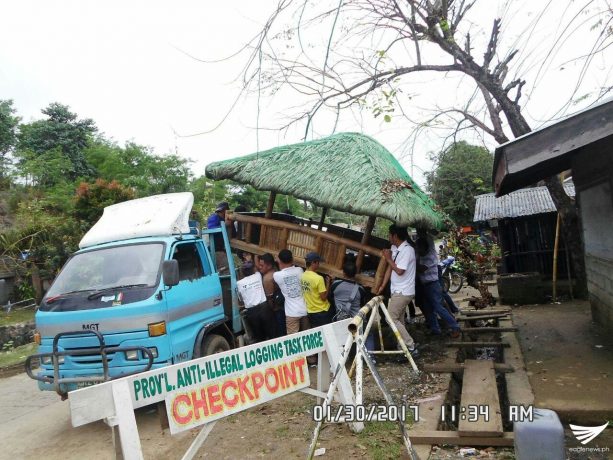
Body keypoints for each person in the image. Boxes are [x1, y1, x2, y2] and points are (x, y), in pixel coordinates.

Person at [376, 224, 419, 357]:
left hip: (403, 291)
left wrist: (388, 258)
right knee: (399, 320)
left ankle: (410, 346)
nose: (388, 237)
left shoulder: (407, 250)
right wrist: (382, 286)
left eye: (389, 235)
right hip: (397, 290)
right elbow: (390, 268)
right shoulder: (395, 248)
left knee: (390, 319)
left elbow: (399, 270)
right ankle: (402, 349)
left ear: (395, 236)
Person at [416, 229, 461, 338]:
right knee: (428, 308)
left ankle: (455, 327)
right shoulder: (421, 255)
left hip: (432, 285)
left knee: (438, 307)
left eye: (419, 249)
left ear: (425, 248)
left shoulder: (429, 257)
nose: (418, 250)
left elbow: (421, 269)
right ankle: (435, 329)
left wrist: (413, 264)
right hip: (425, 285)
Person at [329, 260, 374, 352]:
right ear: (355, 274)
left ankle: (343, 356)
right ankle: (370, 355)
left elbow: (330, 296)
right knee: (368, 334)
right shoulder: (361, 290)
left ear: (343, 273)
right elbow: (363, 304)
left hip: (341, 319)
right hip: (357, 320)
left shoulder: (335, 284)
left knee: (341, 339)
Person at [237, 264, 277, 343]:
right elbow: (258, 267)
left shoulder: (239, 283)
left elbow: (240, 298)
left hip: (252, 312)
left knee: (259, 337)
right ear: (253, 270)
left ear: (242, 272)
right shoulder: (258, 276)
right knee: (272, 333)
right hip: (264, 309)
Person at [273, 249, 309, 335]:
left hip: (291, 313)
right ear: (292, 259)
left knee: (293, 339)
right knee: (308, 336)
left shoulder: (277, 275)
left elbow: (280, 270)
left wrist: (277, 260)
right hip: (304, 310)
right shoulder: (300, 270)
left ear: (279, 261)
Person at [301, 252, 332, 327]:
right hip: (321, 311)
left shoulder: (302, 275)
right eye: (318, 262)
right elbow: (323, 298)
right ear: (313, 263)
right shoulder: (318, 278)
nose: (319, 265)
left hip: (310, 311)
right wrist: (328, 283)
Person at [258, 252, 285, 336]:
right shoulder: (277, 271)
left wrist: (272, 310)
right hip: (284, 306)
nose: (259, 267)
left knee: (280, 332)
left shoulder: (267, 278)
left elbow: (269, 298)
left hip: (276, 310)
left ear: (269, 266)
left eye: (262, 265)